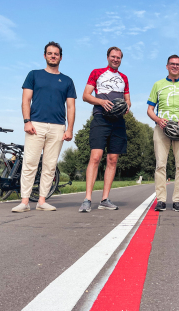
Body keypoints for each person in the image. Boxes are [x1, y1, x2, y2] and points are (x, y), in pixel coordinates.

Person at [12, 41, 76, 213]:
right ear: (45, 55)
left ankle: (41, 200)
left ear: (60, 57)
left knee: (50, 165)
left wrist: (69, 129)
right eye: (50, 53)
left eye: (56, 54)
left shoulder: (68, 81)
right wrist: (27, 121)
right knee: (30, 163)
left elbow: (71, 107)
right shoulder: (33, 75)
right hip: (36, 124)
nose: (53, 56)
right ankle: (24, 202)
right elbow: (26, 100)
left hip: (58, 127)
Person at [79, 46, 131, 213]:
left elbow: (128, 100)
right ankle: (87, 199)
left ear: (121, 60)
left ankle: (104, 199)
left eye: (118, 57)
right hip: (100, 118)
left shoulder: (124, 77)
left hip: (118, 121)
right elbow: (85, 95)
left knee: (113, 159)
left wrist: (126, 106)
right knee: (95, 157)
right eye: (113, 56)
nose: (116, 59)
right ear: (108, 57)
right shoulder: (97, 72)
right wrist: (101, 102)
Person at [147, 55, 179, 212]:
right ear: (167, 66)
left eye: (178, 64)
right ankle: (161, 199)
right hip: (162, 128)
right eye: (172, 64)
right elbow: (150, 110)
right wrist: (157, 119)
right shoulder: (158, 85)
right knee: (160, 164)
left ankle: (177, 200)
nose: (175, 66)